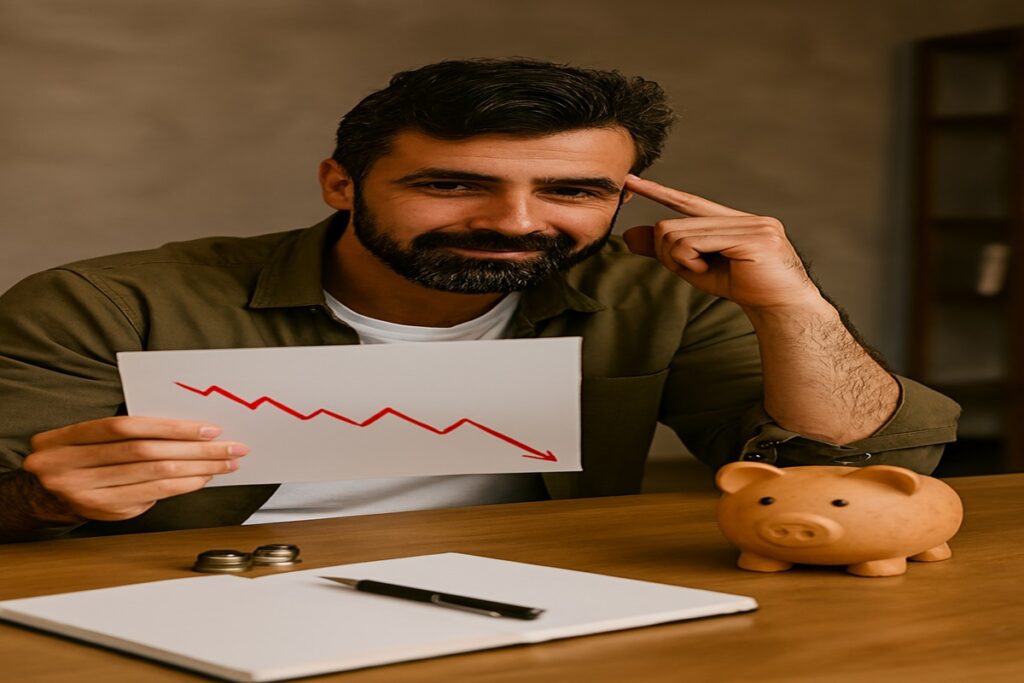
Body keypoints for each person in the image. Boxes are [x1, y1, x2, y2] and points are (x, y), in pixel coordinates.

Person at [0, 59, 959, 542]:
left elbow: (877, 470)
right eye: (452, 185)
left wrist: (796, 306)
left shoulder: (659, 293)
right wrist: (43, 496)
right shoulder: (102, 303)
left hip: (537, 606)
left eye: (572, 191)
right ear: (341, 184)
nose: (515, 221)